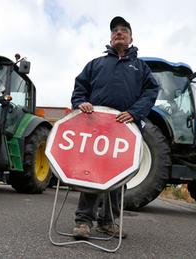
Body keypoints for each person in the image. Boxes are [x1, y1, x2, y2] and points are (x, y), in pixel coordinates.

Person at [70, 16, 159, 239]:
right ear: (110, 38)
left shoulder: (141, 68)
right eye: (115, 31)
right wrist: (81, 103)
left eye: (123, 31)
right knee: (91, 174)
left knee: (119, 177)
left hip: (124, 132)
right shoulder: (95, 64)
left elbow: (151, 92)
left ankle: (108, 222)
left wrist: (135, 112)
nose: (119, 33)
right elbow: (80, 88)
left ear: (131, 38)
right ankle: (83, 222)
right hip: (95, 130)